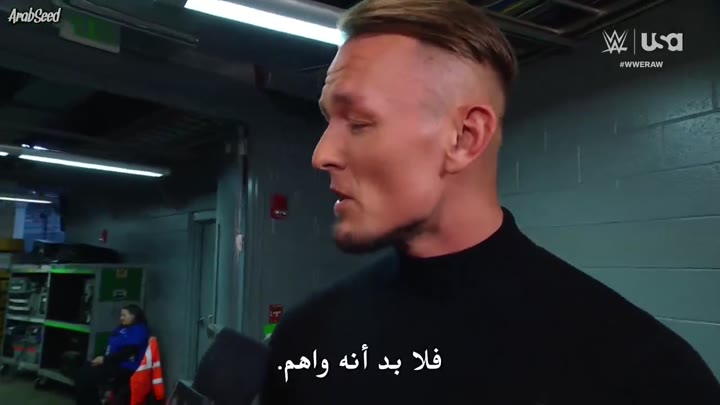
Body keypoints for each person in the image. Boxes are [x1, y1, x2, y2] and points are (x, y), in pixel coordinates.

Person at [260, 0, 720, 404]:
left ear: (465, 138)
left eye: (359, 123)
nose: (322, 154)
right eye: (329, 120)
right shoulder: (305, 339)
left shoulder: (646, 373)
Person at [75, 304, 150, 405]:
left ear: (133, 316)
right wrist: (101, 357)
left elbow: (127, 352)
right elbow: (110, 346)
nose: (121, 318)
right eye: (121, 315)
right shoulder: (122, 328)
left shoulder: (139, 330)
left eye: (124, 315)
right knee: (83, 372)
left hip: (126, 367)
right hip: (112, 362)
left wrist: (104, 360)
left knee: (88, 377)